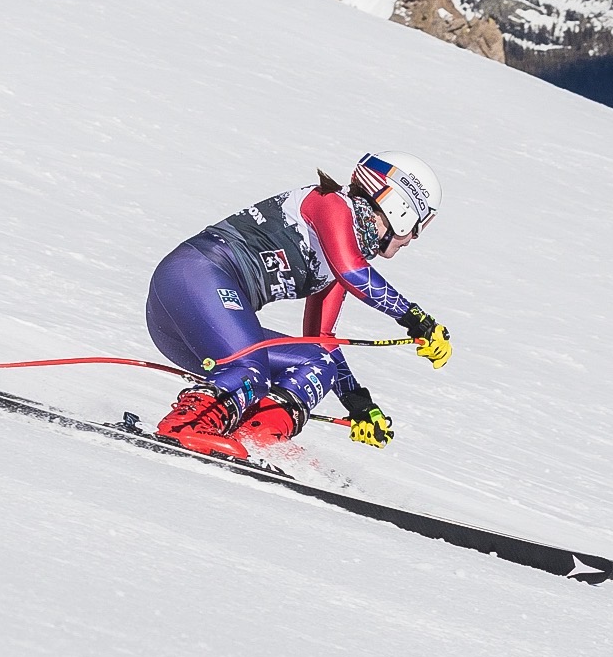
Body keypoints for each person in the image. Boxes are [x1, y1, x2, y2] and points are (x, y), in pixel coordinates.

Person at [145, 151, 453, 458]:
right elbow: (353, 272)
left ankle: (256, 438)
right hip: (192, 278)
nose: (412, 238)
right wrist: (416, 319)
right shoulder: (331, 204)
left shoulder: (340, 256)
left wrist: (359, 403)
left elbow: (322, 340)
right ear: (400, 209)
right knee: (250, 369)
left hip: (197, 320)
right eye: (417, 226)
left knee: (317, 363)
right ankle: (186, 425)